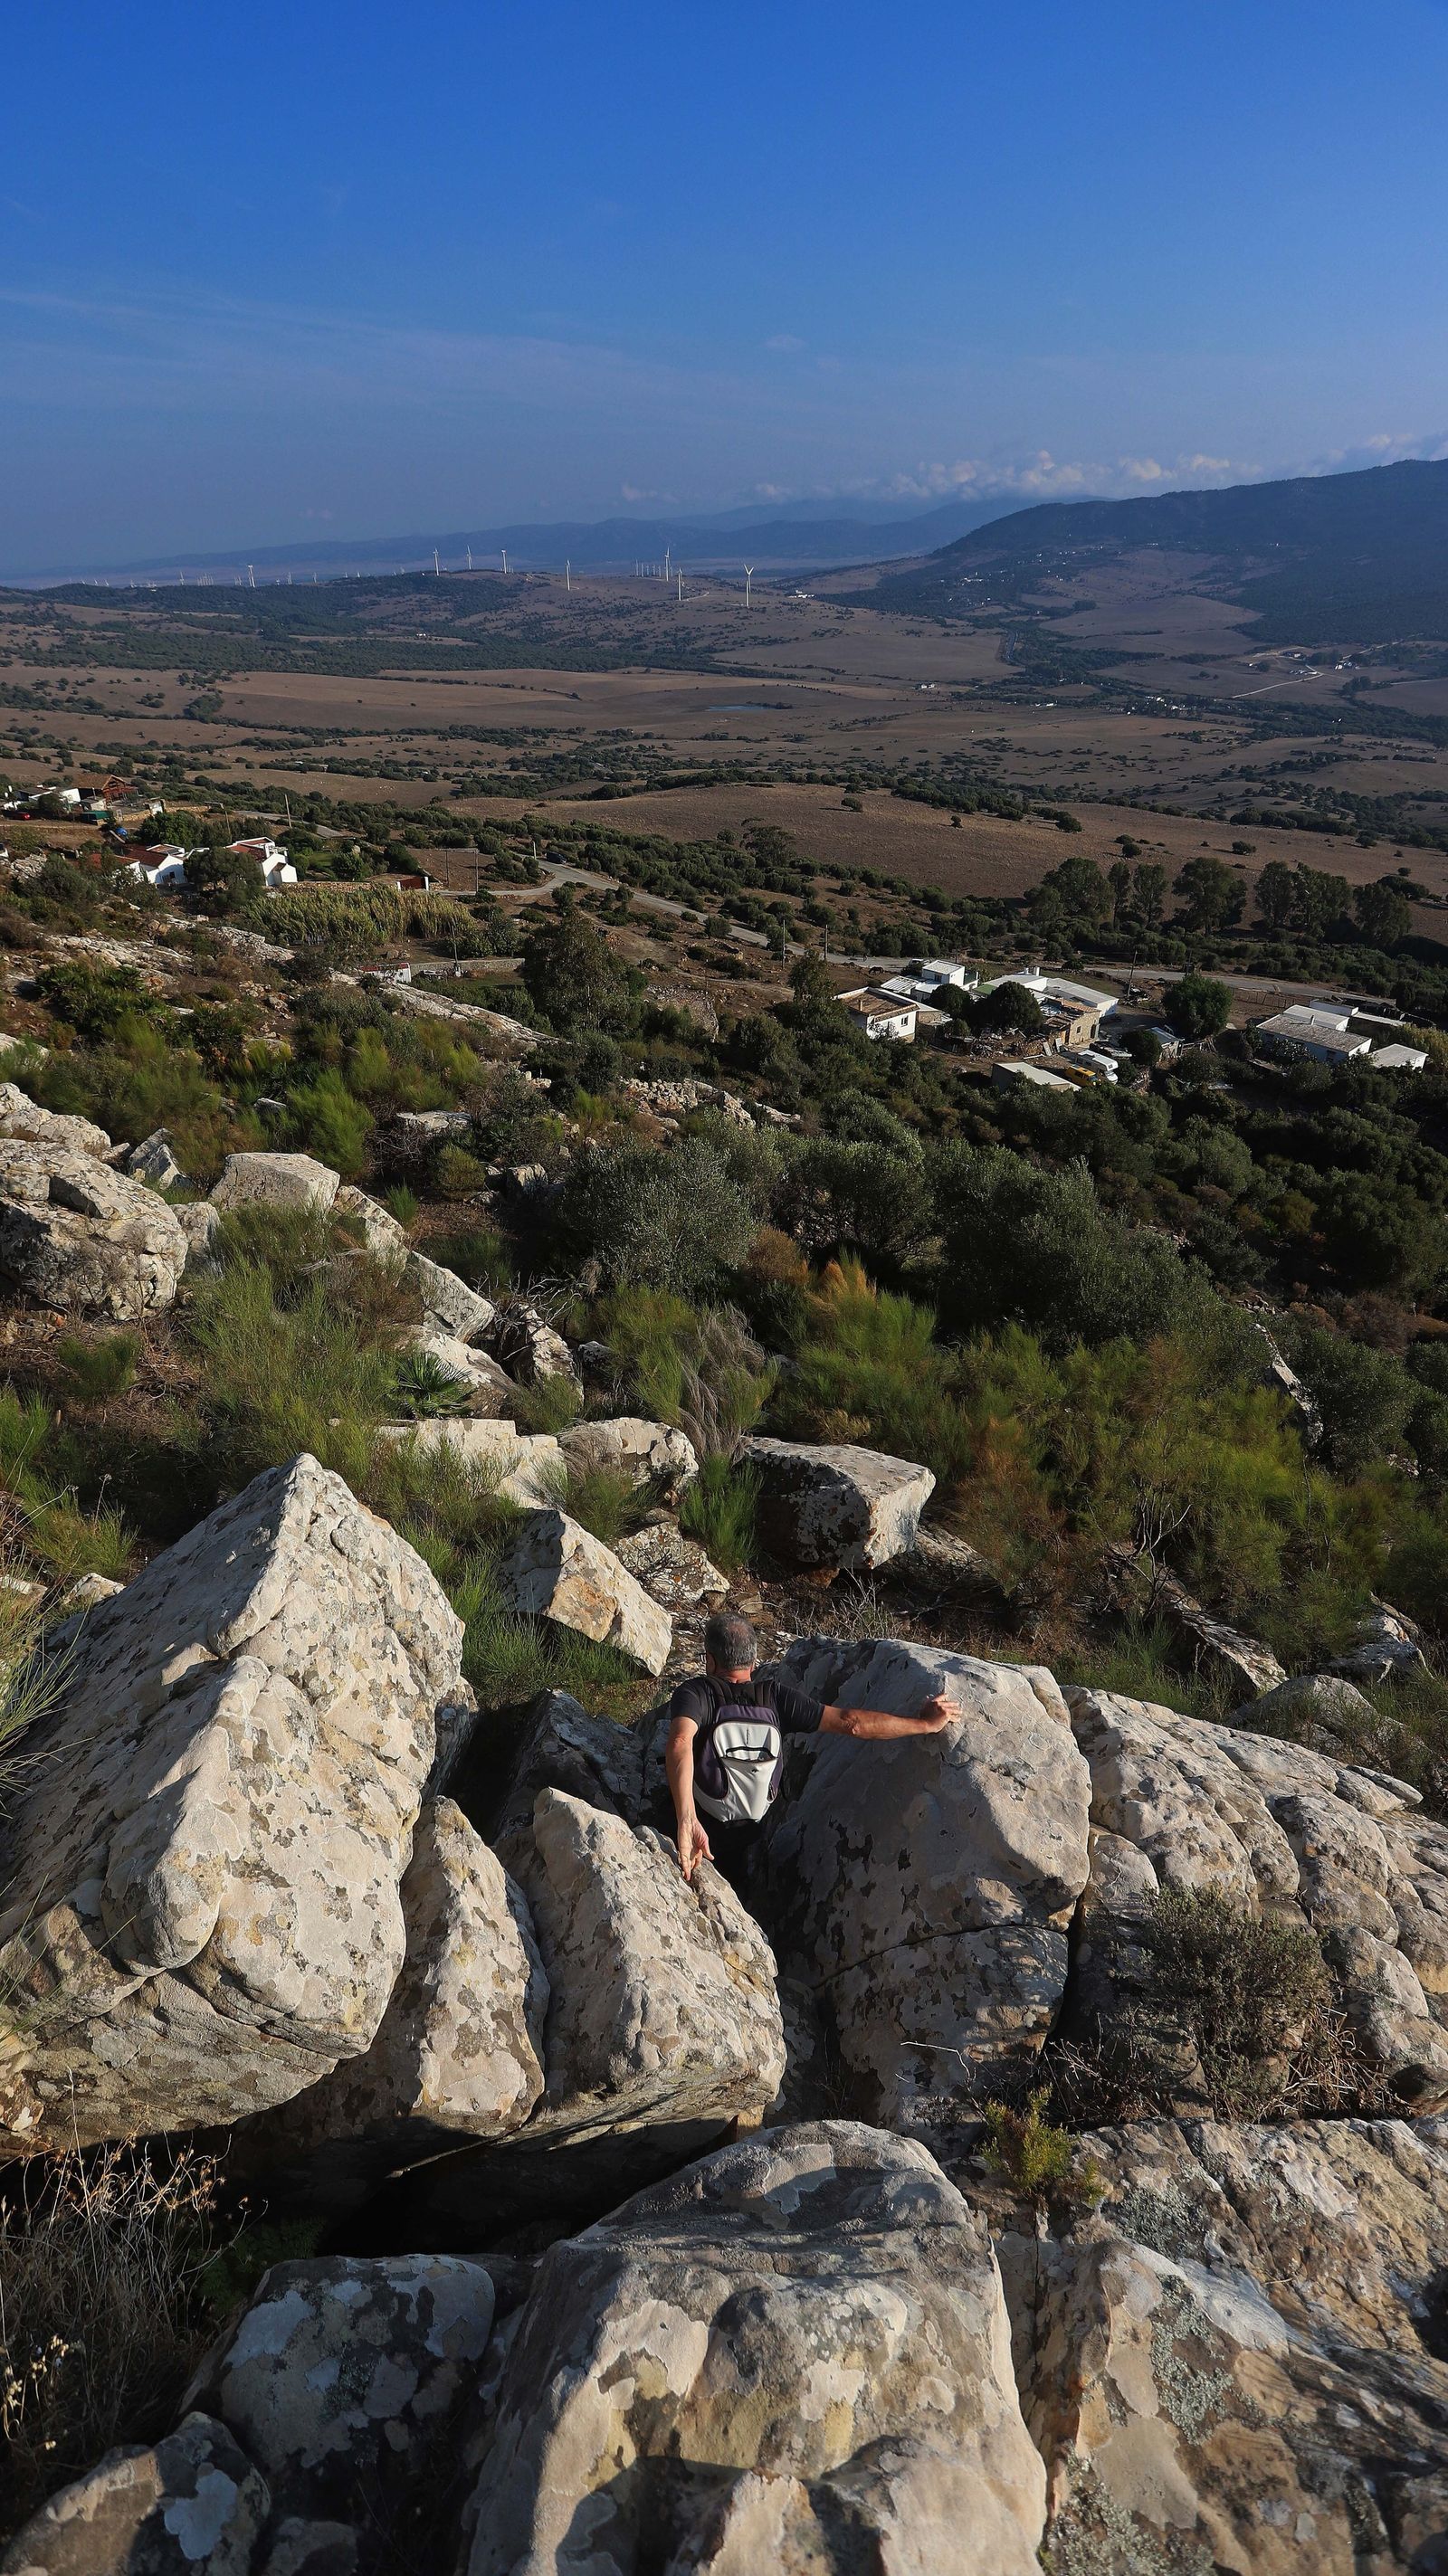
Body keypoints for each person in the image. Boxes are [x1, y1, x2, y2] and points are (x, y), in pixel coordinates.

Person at [666, 1611, 955, 1882]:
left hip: (701, 1823)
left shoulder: (696, 1692)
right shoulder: (775, 1697)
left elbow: (680, 1742)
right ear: (753, 1662)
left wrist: (686, 1820)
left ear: (710, 1661)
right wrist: (924, 1725)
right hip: (749, 1836)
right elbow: (850, 1722)